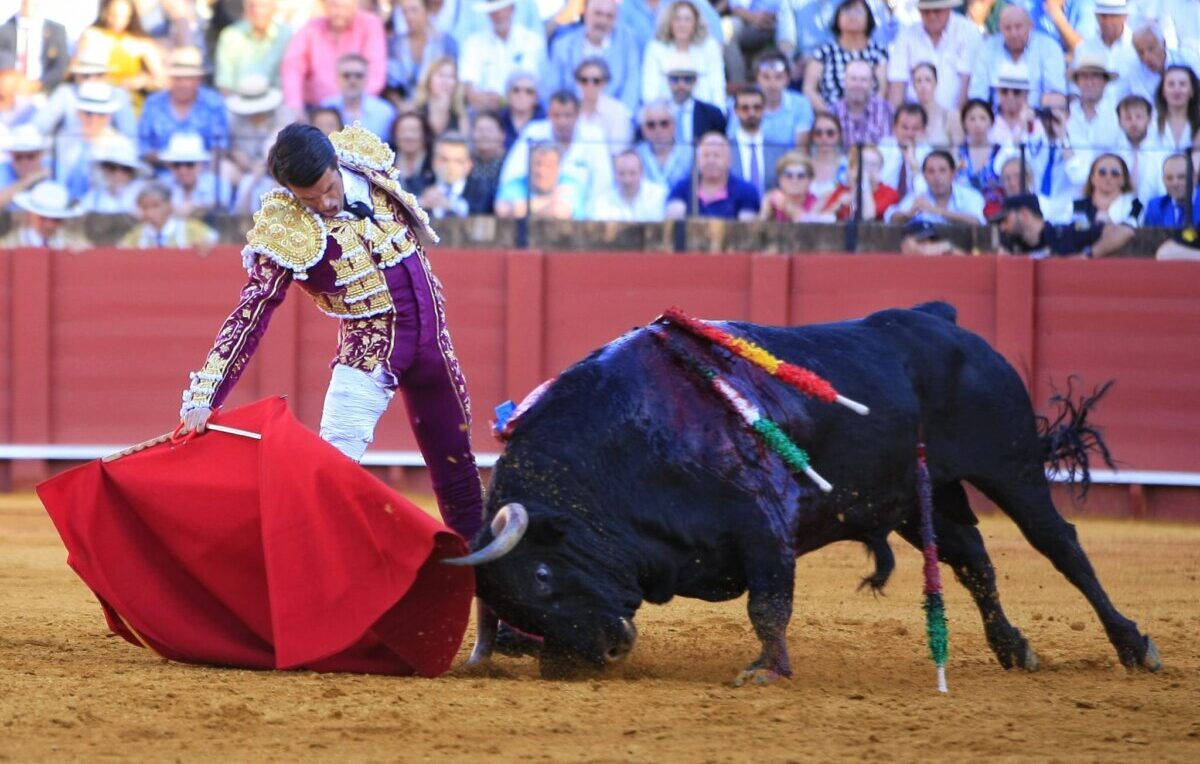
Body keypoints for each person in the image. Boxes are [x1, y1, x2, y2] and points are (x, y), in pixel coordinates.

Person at [176, 123, 485, 548]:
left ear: (336, 164)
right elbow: (252, 310)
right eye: (309, 198)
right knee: (332, 476)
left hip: (434, 347)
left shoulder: (366, 162)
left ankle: (494, 596)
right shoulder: (285, 227)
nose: (324, 202)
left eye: (328, 188)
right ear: (289, 192)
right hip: (367, 353)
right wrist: (206, 394)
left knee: (458, 469)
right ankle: (313, 578)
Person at [499, 90, 614, 204]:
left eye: (567, 115)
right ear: (549, 114)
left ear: (578, 115)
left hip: (583, 213)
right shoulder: (533, 132)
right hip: (534, 211)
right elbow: (512, 174)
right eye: (557, 115)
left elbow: (603, 184)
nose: (562, 121)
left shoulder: (593, 135)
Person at [281, 0, 388, 112]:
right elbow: (292, 66)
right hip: (317, 110)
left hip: (359, 109)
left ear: (356, 6)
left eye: (345, 7)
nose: (339, 12)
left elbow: (376, 72)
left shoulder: (371, 24)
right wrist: (295, 106)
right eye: (335, 6)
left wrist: (351, 105)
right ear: (325, 5)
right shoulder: (311, 27)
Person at [138, 47, 230, 169]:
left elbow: (220, 145)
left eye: (188, 79)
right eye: (177, 79)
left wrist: (193, 169)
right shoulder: (153, 102)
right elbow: (143, 144)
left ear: (199, 80)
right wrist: (169, 160)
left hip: (204, 170)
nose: (182, 84)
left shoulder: (213, 103)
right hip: (159, 171)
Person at [547, 0, 641, 113]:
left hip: (614, 117)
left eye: (609, 16)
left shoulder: (628, 43)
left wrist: (622, 117)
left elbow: (632, 87)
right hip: (571, 117)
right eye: (598, 14)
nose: (602, 21)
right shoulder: (563, 45)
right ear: (586, 13)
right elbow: (553, 89)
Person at [886, 0, 980, 112]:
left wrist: (958, 120)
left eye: (937, 11)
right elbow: (897, 82)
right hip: (914, 119)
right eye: (926, 11)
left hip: (955, 115)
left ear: (949, 9)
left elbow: (967, 81)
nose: (931, 16)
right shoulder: (906, 35)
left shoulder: (968, 32)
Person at [967, 3, 1067, 108]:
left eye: (1018, 27)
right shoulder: (988, 48)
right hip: (996, 118)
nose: (1013, 33)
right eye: (1007, 28)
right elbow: (977, 94)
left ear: (1030, 26)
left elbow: (1056, 94)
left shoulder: (1049, 47)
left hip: (1038, 116)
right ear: (1000, 28)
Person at [801, 0, 889, 114]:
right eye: (847, 11)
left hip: (871, 117)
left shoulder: (878, 52)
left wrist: (870, 115)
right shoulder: (824, 52)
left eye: (858, 12)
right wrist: (830, 117)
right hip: (831, 119)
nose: (852, 16)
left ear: (869, 19)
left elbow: (882, 89)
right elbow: (809, 89)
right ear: (838, 17)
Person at [72, 0, 166, 105]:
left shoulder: (141, 42)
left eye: (124, 17)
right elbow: (74, 70)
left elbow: (162, 80)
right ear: (105, 12)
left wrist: (143, 81)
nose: (118, 21)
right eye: (114, 15)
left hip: (129, 100)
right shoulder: (92, 35)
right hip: (94, 96)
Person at [459, 0, 547, 112]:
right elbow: (468, 87)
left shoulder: (532, 42)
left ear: (512, 9)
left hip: (524, 113)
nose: (498, 15)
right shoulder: (474, 43)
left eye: (502, 10)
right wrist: (482, 99)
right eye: (493, 11)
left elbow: (537, 86)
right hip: (485, 113)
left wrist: (504, 101)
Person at [640, 0, 726, 108]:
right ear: (669, 23)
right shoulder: (655, 48)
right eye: (677, 19)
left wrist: (718, 118)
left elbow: (717, 87)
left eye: (687, 19)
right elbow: (649, 91)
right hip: (665, 115)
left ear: (695, 23)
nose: (682, 24)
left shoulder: (710, 47)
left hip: (704, 115)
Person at [996, 192, 1130, 258]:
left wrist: (1087, 255)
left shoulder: (1068, 232)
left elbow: (1124, 232)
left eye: (1005, 220)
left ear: (1024, 214)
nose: (1002, 227)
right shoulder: (1011, 245)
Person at [664, 132, 761, 220]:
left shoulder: (746, 191)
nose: (711, 161)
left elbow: (748, 228)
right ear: (697, 160)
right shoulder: (682, 187)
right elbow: (672, 220)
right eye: (706, 155)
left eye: (716, 155)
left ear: (729, 160)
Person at [886, 149, 986, 225]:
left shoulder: (970, 195)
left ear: (953, 173)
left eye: (942, 171)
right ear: (924, 176)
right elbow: (891, 217)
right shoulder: (918, 196)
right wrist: (908, 214)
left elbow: (977, 221)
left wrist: (937, 211)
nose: (937, 177)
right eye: (931, 171)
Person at [213, 0, 291, 93]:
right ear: (245, 8)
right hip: (238, 103)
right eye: (252, 5)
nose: (258, 10)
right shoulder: (231, 35)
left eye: (264, 5)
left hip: (277, 101)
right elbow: (225, 83)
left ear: (274, 8)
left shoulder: (286, 35)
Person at [1074, 0, 1138, 113]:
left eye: (1113, 16)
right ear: (1097, 18)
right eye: (1103, 16)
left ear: (1124, 17)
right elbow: (1076, 89)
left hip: (1130, 116)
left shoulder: (1137, 47)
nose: (1108, 22)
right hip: (1091, 115)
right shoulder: (1084, 48)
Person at [387, 0, 458, 102]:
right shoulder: (394, 44)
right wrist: (400, 105)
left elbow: (452, 82)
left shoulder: (447, 43)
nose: (409, 16)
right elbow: (389, 84)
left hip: (437, 104)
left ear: (427, 11)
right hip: (403, 107)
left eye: (414, 10)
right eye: (405, 12)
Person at [494, 141, 584, 219]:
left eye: (549, 166)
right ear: (529, 164)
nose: (542, 171)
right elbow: (502, 211)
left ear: (559, 168)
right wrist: (549, 201)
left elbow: (560, 213)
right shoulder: (514, 185)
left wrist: (520, 209)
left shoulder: (571, 185)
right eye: (537, 164)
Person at [322, 53, 397, 142]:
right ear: (337, 78)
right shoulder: (325, 108)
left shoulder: (385, 112)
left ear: (367, 78)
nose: (352, 80)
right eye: (346, 75)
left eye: (358, 75)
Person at [119, 181, 218, 247]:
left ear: (169, 205)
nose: (150, 213)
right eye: (144, 208)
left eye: (155, 206)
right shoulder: (137, 235)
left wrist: (206, 245)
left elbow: (213, 240)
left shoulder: (188, 228)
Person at [0, 0, 70, 95]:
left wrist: (38, 85)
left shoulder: (57, 31)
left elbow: (61, 66)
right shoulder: (4, 31)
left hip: (45, 92)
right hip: (9, 92)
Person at [417, 132, 493, 217]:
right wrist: (419, 205)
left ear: (469, 165)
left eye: (458, 161)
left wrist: (451, 205)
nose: (450, 166)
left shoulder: (482, 189)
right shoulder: (419, 184)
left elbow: (481, 213)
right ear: (434, 162)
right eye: (444, 160)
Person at [728, 87, 785, 197]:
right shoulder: (724, 148)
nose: (752, 113)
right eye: (745, 108)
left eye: (757, 107)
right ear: (735, 111)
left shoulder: (779, 150)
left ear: (764, 110)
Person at [159, 132, 233, 217]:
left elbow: (221, 204)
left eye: (189, 164)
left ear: (200, 165)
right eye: (177, 164)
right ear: (170, 166)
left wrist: (193, 208)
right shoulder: (163, 185)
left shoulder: (218, 185)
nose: (183, 170)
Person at [1127, 21, 1200, 103]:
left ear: (1164, 44)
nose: (1146, 57)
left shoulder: (1187, 57)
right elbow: (1145, 106)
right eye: (1140, 52)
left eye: (1151, 49)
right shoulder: (1135, 71)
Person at [663, 51, 726, 146]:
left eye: (687, 79)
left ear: (696, 81)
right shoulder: (656, 114)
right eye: (675, 79)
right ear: (667, 80)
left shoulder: (712, 114)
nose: (681, 85)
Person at [0, 180, 87, 248]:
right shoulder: (10, 244)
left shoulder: (69, 242)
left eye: (56, 220)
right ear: (30, 214)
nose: (49, 224)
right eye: (43, 218)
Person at [755, 50, 815, 150]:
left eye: (778, 77)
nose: (772, 83)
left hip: (790, 163)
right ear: (757, 78)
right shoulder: (742, 103)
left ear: (787, 79)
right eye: (766, 77)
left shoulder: (801, 104)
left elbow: (801, 150)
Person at [574, 58, 633, 156]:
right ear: (577, 82)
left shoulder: (618, 111)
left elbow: (618, 151)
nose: (590, 85)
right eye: (584, 80)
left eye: (596, 81)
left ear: (605, 83)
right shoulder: (570, 110)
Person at [956, 98, 1004, 219]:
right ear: (964, 124)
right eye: (972, 119)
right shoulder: (957, 153)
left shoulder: (1001, 152)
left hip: (995, 214)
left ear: (991, 122)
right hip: (963, 214)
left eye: (983, 118)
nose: (977, 124)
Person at [588, 150, 668, 222]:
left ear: (642, 173)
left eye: (632, 173)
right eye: (621, 173)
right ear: (615, 175)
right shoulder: (602, 203)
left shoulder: (659, 196)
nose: (627, 180)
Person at [759, 152, 837, 222]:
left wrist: (788, 207)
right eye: (788, 175)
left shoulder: (818, 203)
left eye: (801, 176)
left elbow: (812, 225)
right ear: (780, 179)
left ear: (810, 180)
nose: (794, 181)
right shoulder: (770, 200)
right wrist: (767, 211)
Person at [1073, 152, 1142, 230]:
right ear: (1092, 178)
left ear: (1124, 179)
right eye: (1102, 172)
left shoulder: (1135, 206)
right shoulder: (1077, 206)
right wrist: (1096, 225)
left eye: (1115, 173)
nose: (1108, 177)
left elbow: (1131, 229)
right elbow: (1074, 230)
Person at [831, 59, 892, 147]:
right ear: (844, 82)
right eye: (853, 79)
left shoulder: (885, 110)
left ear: (871, 84)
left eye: (864, 80)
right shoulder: (833, 111)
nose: (858, 85)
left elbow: (889, 147)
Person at [633, 99, 692, 190]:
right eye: (651, 125)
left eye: (664, 123)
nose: (658, 130)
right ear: (642, 129)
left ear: (674, 125)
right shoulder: (635, 155)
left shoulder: (691, 155)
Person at [78, 135, 143, 214]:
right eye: (112, 168)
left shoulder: (141, 196)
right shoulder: (93, 198)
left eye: (125, 169)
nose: (118, 174)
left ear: (132, 173)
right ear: (104, 169)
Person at [1114, 93, 1162, 199]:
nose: (1134, 123)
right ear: (1119, 122)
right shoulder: (1113, 155)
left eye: (1139, 117)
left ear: (1149, 119)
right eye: (1128, 118)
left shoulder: (1161, 154)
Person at [879, 101, 931, 196]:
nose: (909, 134)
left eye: (915, 128)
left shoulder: (929, 154)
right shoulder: (882, 149)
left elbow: (926, 192)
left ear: (924, 131)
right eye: (904, 128)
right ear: (894, 128)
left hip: (917, 206)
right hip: (884, 205)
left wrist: (912, 161)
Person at [724, 0, 782, 87]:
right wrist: (753, 18)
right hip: (750, 21)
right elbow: (736, 7)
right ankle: (739, 87)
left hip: (780, 21)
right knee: (727, 29)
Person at [1148, 65, 1200, 152]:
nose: (1177, 90)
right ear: (1163, 91)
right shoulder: (1150, 122)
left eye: (1182, 84)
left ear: (1192, 91)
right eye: (1171, 84)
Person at [412, 56, 467, 138]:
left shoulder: (460, 114)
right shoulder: (415, 110)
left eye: (451, 76)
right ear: (428, 80)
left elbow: (464, 145)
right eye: (441, 75)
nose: (445, 81)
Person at [911, 61, 962, 149]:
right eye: (918, 81)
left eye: (928, 80)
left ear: (936, 83)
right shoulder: (908, 117)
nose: (923, 86)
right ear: (913, 85)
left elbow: (958, 153)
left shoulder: (951, 116)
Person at [804, 111, 848, 210]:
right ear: (812, 136)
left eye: (830, 133)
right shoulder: (803, 165)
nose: (824, 138)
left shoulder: (848, 165)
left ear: (839, 135)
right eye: (818, 133)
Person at [0, 123, 50, 210]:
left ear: (40, 155)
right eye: (18, 157)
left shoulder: (58, 168)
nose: (24, 162)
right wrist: (28, 180)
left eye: (30, 156)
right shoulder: (3, 169)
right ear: (11, 156)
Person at [1142, 153, 1200, 227]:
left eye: (1181, 177)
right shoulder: (1155, 207)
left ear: (1194, 177)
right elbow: (1149, 238)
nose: (1175, 183)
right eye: (1169, 178)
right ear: (1163, 180)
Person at [391, 111, 436, 196]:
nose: (408, 136)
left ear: (425, 134)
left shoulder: (434, 161)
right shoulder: (386, 162)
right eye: (403, 131)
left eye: (414, 131)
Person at [498, 70, 543, 149]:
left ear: (536, 98)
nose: (522, 95)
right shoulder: (497, 121)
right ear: (508, 95)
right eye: (516, 90)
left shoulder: (545, 122)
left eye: (529, 92)